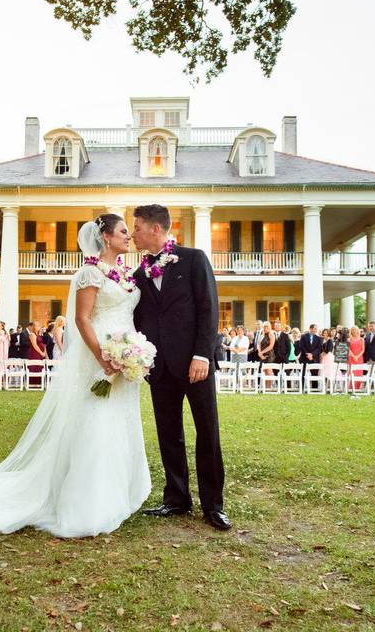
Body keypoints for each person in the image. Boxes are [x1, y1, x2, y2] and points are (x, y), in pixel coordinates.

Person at [0, 215, 150, 537]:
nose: (128, 237)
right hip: (100, 353)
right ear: (104, 236)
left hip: (126, 351)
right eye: (122, 232)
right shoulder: (90, 273)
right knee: (97, 415)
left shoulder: (127, 275)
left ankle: (122, 491)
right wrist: (103, 355)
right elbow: (82, 319)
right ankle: (89, 502)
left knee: (121, 416)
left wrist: (133, 352)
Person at [131, 203, 230, 531]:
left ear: (155, 229)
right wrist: (138, 357)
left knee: (207, 431)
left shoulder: (194, 259)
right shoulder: (138, 274)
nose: (133, 234)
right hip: (159, 368)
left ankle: (213, 505)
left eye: (137, 228)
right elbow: (138, 318)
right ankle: (176, 498)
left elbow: (208, 308)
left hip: (195, 364)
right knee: (168, 433)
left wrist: (202, 355)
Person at [299, 324, 322, 389]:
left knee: (314, 373)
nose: (316, 330)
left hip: (314, 358)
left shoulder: (318, 338)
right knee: (303, 373)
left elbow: (319, 349)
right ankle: (302, 388)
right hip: (304, 358)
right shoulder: (303, 336)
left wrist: (312, 354)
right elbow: (301, 346)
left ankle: (315, 388)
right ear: (310, 329)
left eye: (316, 329)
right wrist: (308, 354)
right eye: (315, 329)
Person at [348, 326, 365, 391]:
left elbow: (363, 350)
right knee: (351, 372)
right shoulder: (349, 339)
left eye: (355, 330)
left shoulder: (361, 339)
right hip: (351, 358)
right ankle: (351, 388)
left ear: (358, 331)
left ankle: (358, 388)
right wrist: (353, 356)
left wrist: (357, 356)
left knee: (359, 372)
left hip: (359, 358)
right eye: (352, 330)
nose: (354, 331)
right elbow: (348, 349)